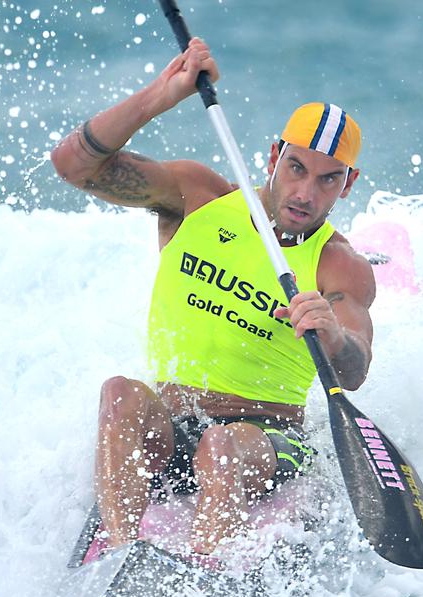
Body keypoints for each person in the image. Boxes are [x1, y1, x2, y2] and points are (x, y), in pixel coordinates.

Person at [50, 38, 375, 555]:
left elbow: (354, 370)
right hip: (174, 428)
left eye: (328, 180)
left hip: (267, 441)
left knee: (221, 446)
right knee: (119, 393)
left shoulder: (339, 265)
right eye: (297, 169)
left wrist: (333, 335)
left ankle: (202, 585)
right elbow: (73, 166)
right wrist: (158, 97)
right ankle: (112, 560)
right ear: (274, 157)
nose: (305, 194)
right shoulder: (196, 198)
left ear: (348, 184)